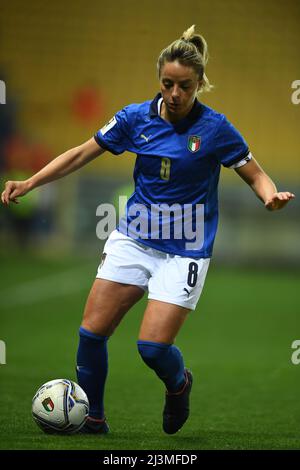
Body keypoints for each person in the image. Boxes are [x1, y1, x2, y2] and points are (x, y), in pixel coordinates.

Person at [1, 25, 295, 436]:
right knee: (91, 333)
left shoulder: (215, 128)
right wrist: (30, 181)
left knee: (153, 348)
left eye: (185, 87)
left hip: (187, 248)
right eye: (168, 84)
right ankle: (94, 418)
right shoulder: (134, 118)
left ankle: (179, 384)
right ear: (160, 80)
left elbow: (255, 173)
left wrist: (269, 196)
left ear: (199, 85)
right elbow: (81, 154)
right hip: (134, 237)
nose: (175, 94)